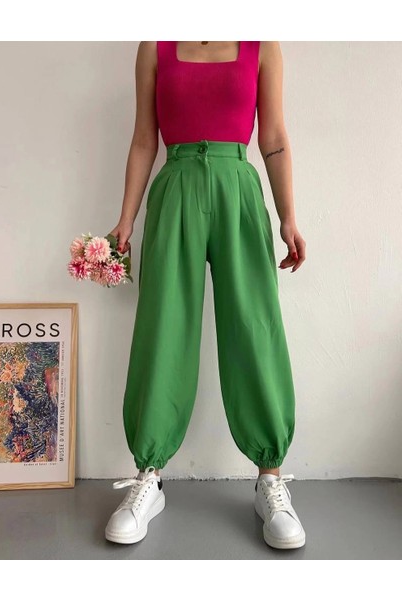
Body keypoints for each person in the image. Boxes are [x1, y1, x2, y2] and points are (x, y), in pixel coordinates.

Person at [105, 41, 307, 550]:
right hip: (174, 187)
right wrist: (126, 219)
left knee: (254, 326)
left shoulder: (261, 45)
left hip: (239, 187)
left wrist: (288, 217)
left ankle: (269, 479)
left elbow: (273, 137)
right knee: (164, 325)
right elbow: (143, 140)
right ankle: (149, 477)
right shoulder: (155, 46)